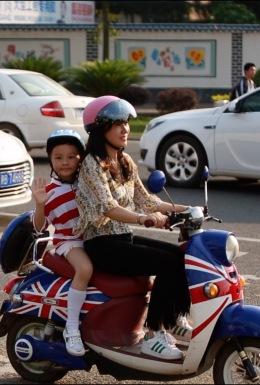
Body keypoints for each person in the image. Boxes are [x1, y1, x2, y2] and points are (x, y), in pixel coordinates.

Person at [74, 95, 194, 360]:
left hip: (122, 238)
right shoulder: (91, 164)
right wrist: (142, 219)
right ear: (100, 127)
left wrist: (185, 209)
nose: (124, 129)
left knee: (183, 257)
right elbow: (107, 207)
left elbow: (147, 200)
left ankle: (172, 319)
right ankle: (153, 336)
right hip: (102, 245)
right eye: (117, 123)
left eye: (126, 122)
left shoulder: (125, 161)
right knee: (167, 264)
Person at [30, 129, 92, 357]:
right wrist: (39, 205)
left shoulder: (89, 184)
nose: (65, 162)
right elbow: (38, 228)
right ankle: (72, 327)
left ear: (81, 158)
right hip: (69, 242)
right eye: (58, 157)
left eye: (71, 156)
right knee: (85, 269)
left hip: (94, 240)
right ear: (50, 160)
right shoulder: (49, 192)